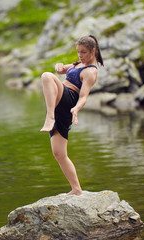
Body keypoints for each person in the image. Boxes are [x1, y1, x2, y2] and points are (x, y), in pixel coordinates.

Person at [40, 35, 104, 196]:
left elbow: (83, 96)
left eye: (84, 52)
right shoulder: (78, 64)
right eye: (78, 52)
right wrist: (59, 66)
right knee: (59, 154)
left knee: (46, 76)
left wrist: (76, 109)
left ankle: (50, 116)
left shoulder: (91, 71)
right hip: (61, 102)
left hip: (68, 100)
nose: (80, 55)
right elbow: (61, 70)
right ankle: (76, 189)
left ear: (93, 51)